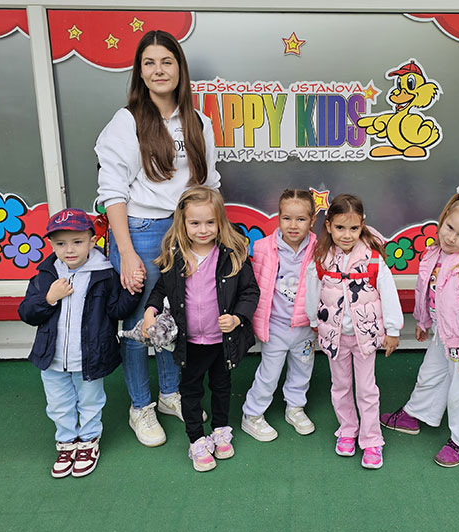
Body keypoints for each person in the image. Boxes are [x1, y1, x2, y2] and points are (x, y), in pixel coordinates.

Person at [95, 29, 220, 448]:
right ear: (140, 71)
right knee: (139, 324)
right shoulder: (127, 121)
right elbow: (112, 191)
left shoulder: (197, 121)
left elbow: (209, 183)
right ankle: (140, 406)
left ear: (179, 68)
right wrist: (126, 252)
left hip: (185, 232)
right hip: (142, 232)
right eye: (149, 63)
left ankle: (169, 394)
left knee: (175, 317)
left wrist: (213, 237)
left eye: (166, 61)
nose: (158, 70)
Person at [381, 185, 459, 467]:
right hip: (444, 332)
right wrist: (423, 321)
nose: (451, 237)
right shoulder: (437, 254)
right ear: (444, 217)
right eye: (449, 228)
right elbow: (428, 291)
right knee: (431, 374)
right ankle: (417, 413)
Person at [143, 187, 259, 472]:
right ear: (182, 223)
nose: (203, 229)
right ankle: (196, 439)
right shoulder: (175, 256)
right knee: (190, 390)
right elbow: (160, 289)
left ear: (220, 222)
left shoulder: (232, 255)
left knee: (222, 387)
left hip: (222, 342)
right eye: (195, 223)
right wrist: (149, 311)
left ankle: (220, 429)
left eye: (210, 222)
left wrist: (237, 318)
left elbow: (250, 292)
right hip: (191, 342)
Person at [18, 209, 140, 478]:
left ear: (92, 241)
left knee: (90, 401)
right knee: (58, 403)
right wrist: (49, 297)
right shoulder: (45, 275)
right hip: (52, 358)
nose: (69, 250)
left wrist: (133, 291)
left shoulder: (104, 275)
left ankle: (88, 441)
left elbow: (116, 310)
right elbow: (26, 312)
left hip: (89, 357)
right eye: (61, 243)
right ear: (52, 245)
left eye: (77, 242)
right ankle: (66, 442)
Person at [305, 194, 403, 470]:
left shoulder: (373, 260)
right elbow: (312, 291)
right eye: (339, 227)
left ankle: (371, 439)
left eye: (353, 228)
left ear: (362, 225)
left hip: (365, 338)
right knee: (340, 386)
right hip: (334, 336)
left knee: (367, 389)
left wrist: (393, 330)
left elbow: (389, 294)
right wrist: (314, 320)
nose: (346, 235)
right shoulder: (321, 258)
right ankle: (347, 429)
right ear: (328, 226)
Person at [242, 189, 318, 441]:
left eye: (301, 219)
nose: (293, 225)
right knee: (269, 373)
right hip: (275, 325)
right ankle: (252, 414)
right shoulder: (263, 247)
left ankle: (295, 407)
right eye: (287, 218)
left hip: (305, 326)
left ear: (312, 220)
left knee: (302, 370)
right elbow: (254, 285)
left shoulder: (319, 249)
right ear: (278, 217)